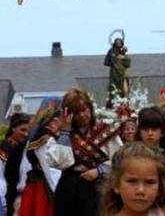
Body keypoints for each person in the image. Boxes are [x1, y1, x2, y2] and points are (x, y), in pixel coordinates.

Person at [50, 88, 123, 216]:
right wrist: (65, 132)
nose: (83, 116)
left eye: (84, 110)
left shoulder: (105, 131)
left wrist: (99, 170)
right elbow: (61, 163)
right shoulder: (64, 135)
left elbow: (121, 159)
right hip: (70, 190)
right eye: (77, 113)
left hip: (99, 188)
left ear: (90, 108)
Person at [19, 97, 63, 216]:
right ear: (54, 121)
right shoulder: (46, 139)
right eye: (61, 118)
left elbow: (24, 168)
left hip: (34, 187)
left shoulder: (35, 137)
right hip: (43, 191)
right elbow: (51, 171)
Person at [0, 113, 31, 216]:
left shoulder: (29, 149)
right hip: (8, 200)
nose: (26, 134)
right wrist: (2, 204)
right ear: (13, 129)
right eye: (22, 130)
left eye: (28, 131)